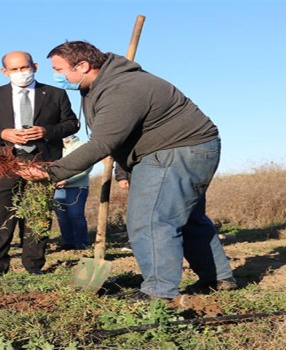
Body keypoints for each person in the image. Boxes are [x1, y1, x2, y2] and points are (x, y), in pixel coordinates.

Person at [18, 40, 236, 300]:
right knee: (187, 218)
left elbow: (103, 142)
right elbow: (121, 139)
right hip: (187, 148)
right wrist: (125, 170)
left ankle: (159, 291)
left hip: (174, 150)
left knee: (150, 220)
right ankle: (219, 278)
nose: (57, 76)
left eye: (60, 69)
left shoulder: (121, 88)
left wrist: (52, 172)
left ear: (84, 65)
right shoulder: (102, 85)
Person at [0, 51, 79, 276]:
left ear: (35, 66)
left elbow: (71, 124)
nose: (21, 73)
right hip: (5, 162)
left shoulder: (55, 94)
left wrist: (47, 131)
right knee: (1, 216)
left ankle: (33, 264)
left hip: (41, 161)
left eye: (24, 67)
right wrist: (3, 133)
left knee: (37, 214)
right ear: (5, 71)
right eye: (14, 69)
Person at [53, 134, 93, 250]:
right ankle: (68, 242)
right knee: (61, 215)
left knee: (76, 215)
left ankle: (82, 243)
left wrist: (67, 180)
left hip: (77, 186)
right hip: (58, 186)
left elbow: (86, 168)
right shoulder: (56, 147)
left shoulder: (82, 146)